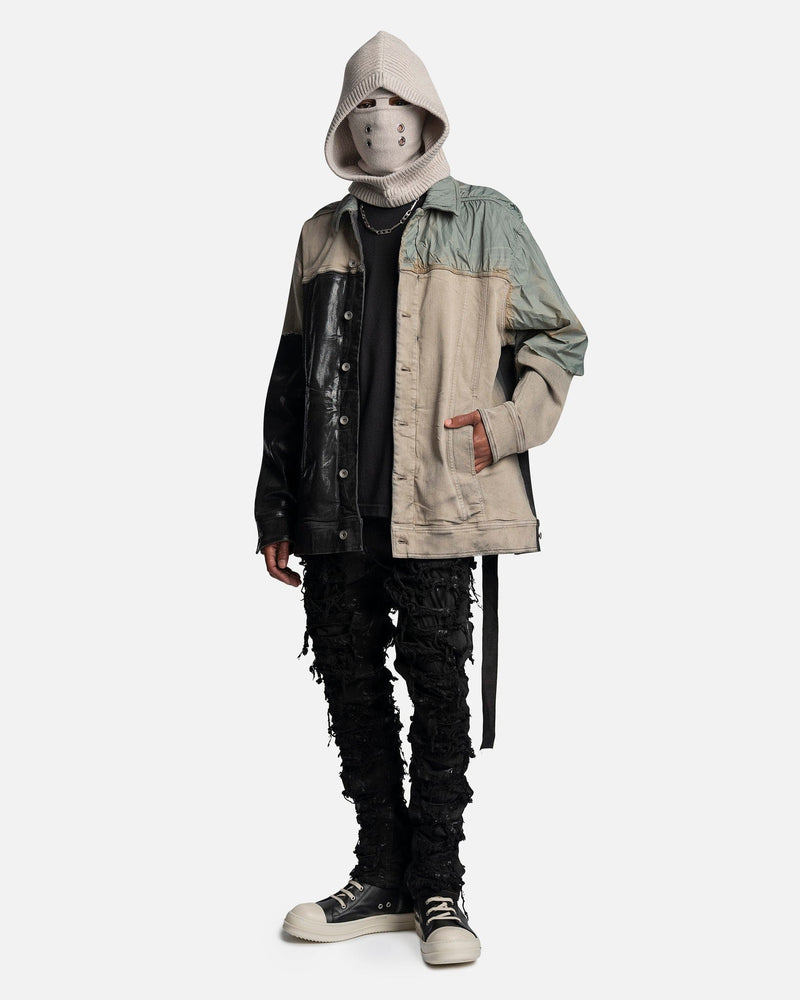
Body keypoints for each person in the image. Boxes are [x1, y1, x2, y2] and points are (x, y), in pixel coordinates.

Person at [254, 30, 587, 966]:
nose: (379, 120)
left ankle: (439, 886)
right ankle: (381, 876)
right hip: (332, 509)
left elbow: (560, 338)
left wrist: (504, 428)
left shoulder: (485, 219)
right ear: (342, 124)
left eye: (393, 104)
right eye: (362, 107)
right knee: (353, 692)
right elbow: (291, 374)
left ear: (426, 114)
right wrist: (274, 508)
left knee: (439, 693)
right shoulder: (320, 234)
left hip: (443, 501)